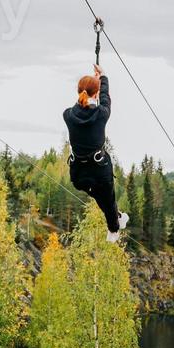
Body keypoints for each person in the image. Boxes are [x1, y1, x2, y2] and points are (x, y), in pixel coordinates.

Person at [64, 64, 128, 243]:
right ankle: (114, 227)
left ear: (78, 92)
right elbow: (106, 98)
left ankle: (116, 216)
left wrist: (94, 85)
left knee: (102, 197)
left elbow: (82, 105)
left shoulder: (68, 115)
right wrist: (103, 78)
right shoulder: (101, 113)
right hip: (99, 170)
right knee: (107, 197)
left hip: (79, 174)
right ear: (96, 94)